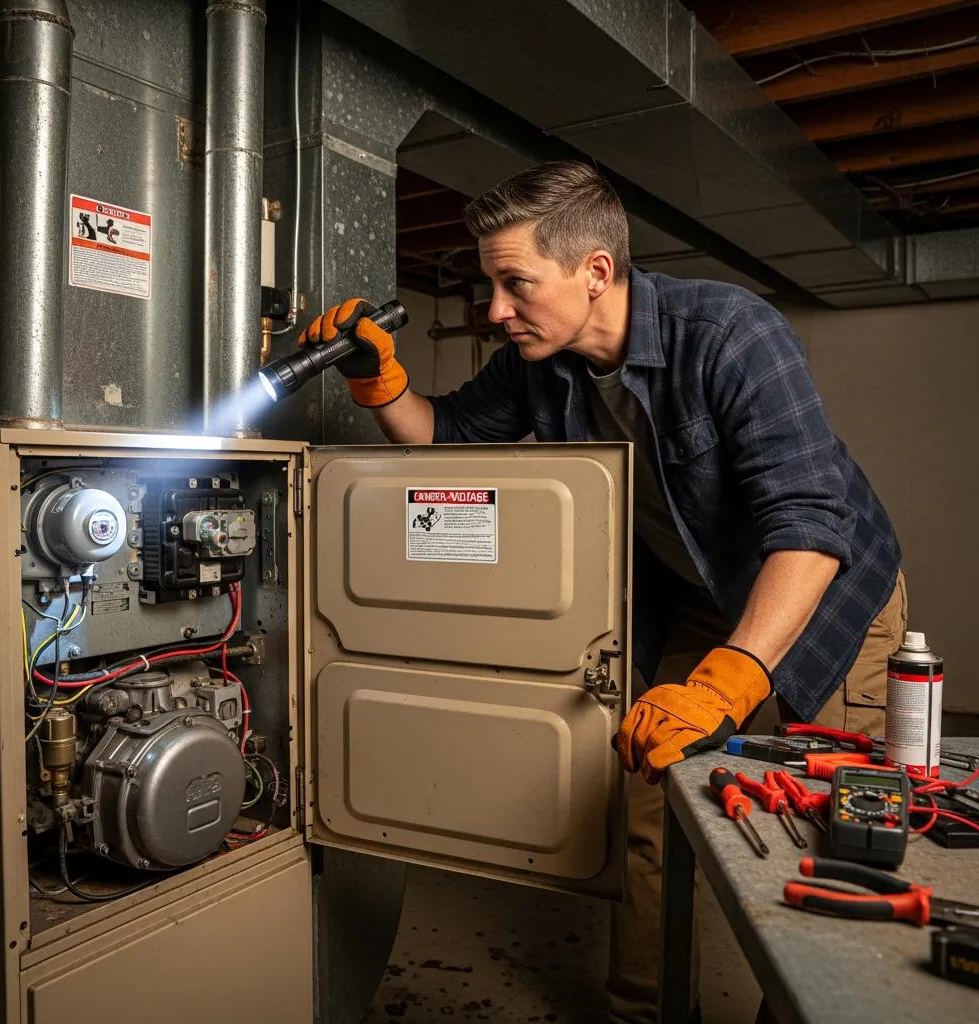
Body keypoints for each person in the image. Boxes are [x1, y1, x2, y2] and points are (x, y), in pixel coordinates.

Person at [299, 160, 905, 1024]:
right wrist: (380, 381)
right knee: (649, 801)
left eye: (516, 284)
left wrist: (732, 680)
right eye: (490, 285)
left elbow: (810, 526)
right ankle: (647, 1011)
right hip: (700, 595)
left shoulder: (732, 333)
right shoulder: (539, 363)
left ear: (594, 272)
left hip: (830, 593)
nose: (496, 310)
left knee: (831, 819)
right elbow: (446, 438)